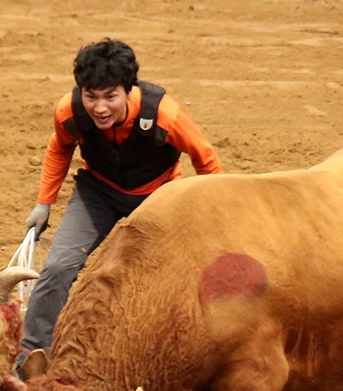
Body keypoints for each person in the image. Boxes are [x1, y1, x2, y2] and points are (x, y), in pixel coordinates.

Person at [16, 38, 222, 371]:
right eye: (91, 96)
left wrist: (213, 210)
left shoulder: (164, 113)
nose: (99, 108)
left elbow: (205, 157)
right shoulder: (69, 112)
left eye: (110, 96)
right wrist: (44, 204)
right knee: (57, 268)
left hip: (158, 197)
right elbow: (60, 148)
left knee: (165, 277)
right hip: (98, 192)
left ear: (128, 91)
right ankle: (31, 353)